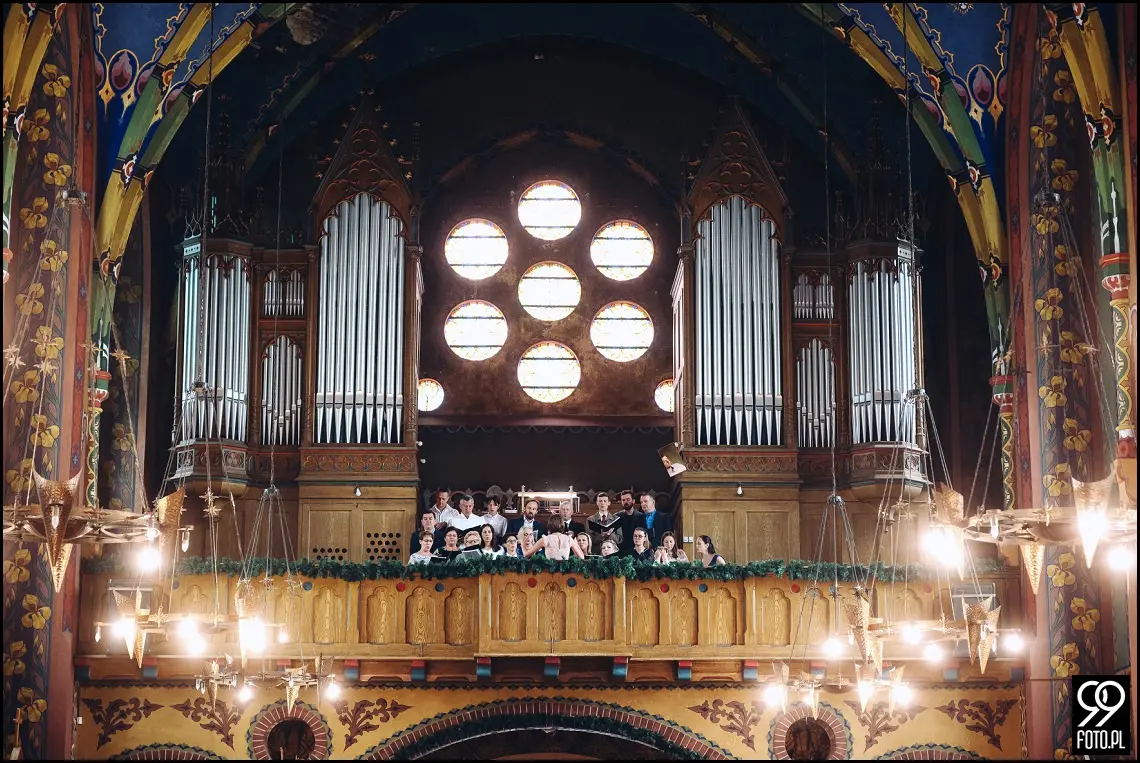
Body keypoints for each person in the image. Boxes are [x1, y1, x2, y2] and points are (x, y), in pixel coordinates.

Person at [617, 490, 646, 555]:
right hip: (622, 551)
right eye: (623, 500)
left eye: (628, 499)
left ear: (633, 501)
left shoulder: (641, 517)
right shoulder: (617, 517)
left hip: (637, 551)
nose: (625, 502)